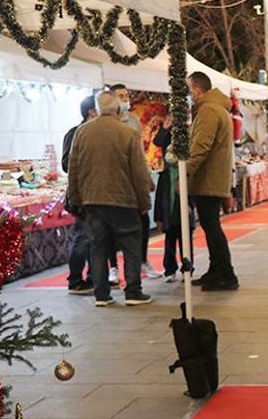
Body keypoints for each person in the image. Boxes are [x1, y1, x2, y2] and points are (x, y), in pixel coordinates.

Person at [67, 91, 153, 307]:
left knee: (98, 246)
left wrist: (76, 199)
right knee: (131, 244)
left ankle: (101, 294)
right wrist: (144, 202)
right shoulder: (128, 134)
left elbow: (74, 169)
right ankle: (133, 291)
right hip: (123, 199)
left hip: (92, 200)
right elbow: (139, 173)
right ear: (117, 109)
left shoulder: (82, 133)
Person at [186, 72, 238, 291]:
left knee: (211, 226)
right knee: (210, 226)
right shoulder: (216, 108)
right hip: (212, 178)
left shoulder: (208, 110)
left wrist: (185, 172)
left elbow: (200, 147)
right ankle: (217, 269)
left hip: (208, 179)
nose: (188, 95)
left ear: (197, 89)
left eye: (189, 90)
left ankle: (225, 273)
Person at [110, 84, 162, 280]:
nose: (125, 99)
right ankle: (113, 266)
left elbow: (140, 151)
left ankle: (142, 261)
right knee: (113, 226)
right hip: (115, 181)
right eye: (120, 96)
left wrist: (146, 176)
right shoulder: (106, 123)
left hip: (134, 179)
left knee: (142, 220)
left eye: (126, 95)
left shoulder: (133, 120)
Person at [62, 95, 98, 295]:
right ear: (91, 111)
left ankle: (95, 277)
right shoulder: (75, 133)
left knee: (96, 238)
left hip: (97, 192)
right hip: (82, 194)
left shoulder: (97, 132)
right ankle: (75, 279)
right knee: (83, 237)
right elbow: (66, 163)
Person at [153, 113, 194, 282]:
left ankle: (188, 269)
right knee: (169, 238)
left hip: (183, 207)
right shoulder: (165, 176)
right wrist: (165, 127)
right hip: (168, 209)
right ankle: (169, 269)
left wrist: (192, 206)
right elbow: (157, 142)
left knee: (186, 239)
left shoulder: (187, 175)